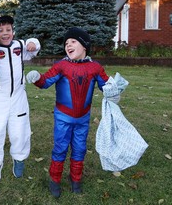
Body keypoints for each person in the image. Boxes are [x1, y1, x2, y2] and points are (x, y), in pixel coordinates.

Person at [26, 27, 119, 198]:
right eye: (66, 43)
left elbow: (106, 84)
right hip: (63, 117)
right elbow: (46, 81)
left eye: (73, 42)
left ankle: (75, 178)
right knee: (60, 147)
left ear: (84, 46)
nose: (68, 45)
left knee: (80, 148)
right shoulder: (61, 65)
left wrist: (114, 90)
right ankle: (55, 179)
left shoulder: (95, 68)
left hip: (83, 119)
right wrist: (37, 78)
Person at [0, 15, 41, 186]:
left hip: (18, 98)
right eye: (0, 31)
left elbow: (34, 45)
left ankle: (19, 159)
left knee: (20, 132)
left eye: (8, 30)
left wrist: (33, 43)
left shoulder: (19, 46)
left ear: (13, 32)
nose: (5, 33)